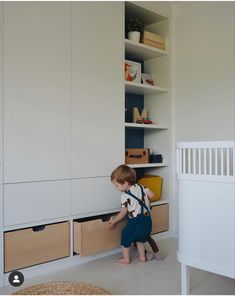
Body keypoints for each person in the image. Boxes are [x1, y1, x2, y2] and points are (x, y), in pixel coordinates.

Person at [108, 164, 153, 264]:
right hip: (147, 219)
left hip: (135, 220)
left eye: (117, 185)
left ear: (125, 183)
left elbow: (123, 212)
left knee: (125, 238)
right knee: (139, 239)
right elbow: (152, 195)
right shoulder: (141, 187)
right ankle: (142, 258)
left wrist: (114, 221)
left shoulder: (125, 196)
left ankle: (126, 259)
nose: (116, 188)